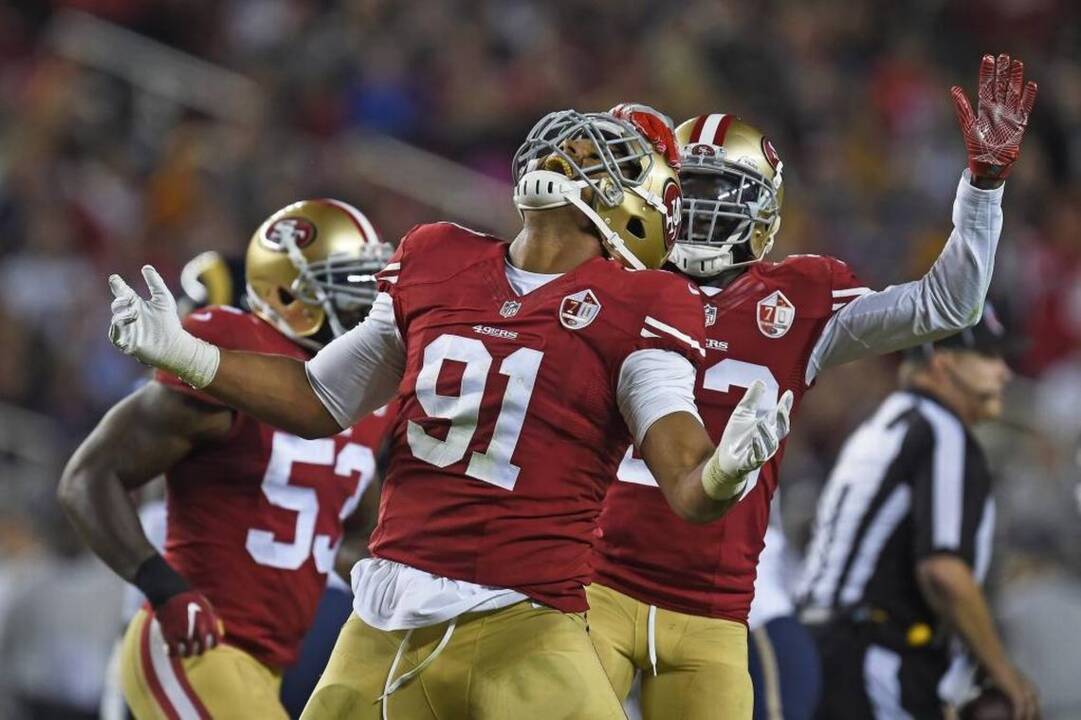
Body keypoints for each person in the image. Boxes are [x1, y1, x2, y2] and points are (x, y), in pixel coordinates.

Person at [103, 106, 792, 719]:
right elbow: (319, 398)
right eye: (575, 147)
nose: (574, 150)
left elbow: (684, 479)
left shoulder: (645, 304)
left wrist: (725, 470)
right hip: (383, 623)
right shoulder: (435, 256)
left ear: (645, 209)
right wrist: (187, 355)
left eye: (603, 154)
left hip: (524, 625)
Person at [586, 54, 1038, 719]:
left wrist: (983, 187)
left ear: (761, 209)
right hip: (591, 580)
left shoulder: (798, 299)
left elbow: (946, 305)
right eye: (690, 188)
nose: (703, 209)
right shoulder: (612, 283)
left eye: (720, 191)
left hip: (712, 596)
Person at [59, 199, 396, 720]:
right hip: (193, 645)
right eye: (347, 282)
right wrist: (163, 587)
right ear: (288, 295)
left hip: (268, 665)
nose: (367, 298)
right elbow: (89, 476)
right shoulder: (233, 352)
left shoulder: (365, 392)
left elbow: (356, 530)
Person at [797, 307, 1039, 720]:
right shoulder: (941, 430)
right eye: (989, 356)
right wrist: (1002, 669)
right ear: (944, 362)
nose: (1005, 372)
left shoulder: (884, 422)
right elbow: (943, 570)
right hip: (875, 655)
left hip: (822, 648)